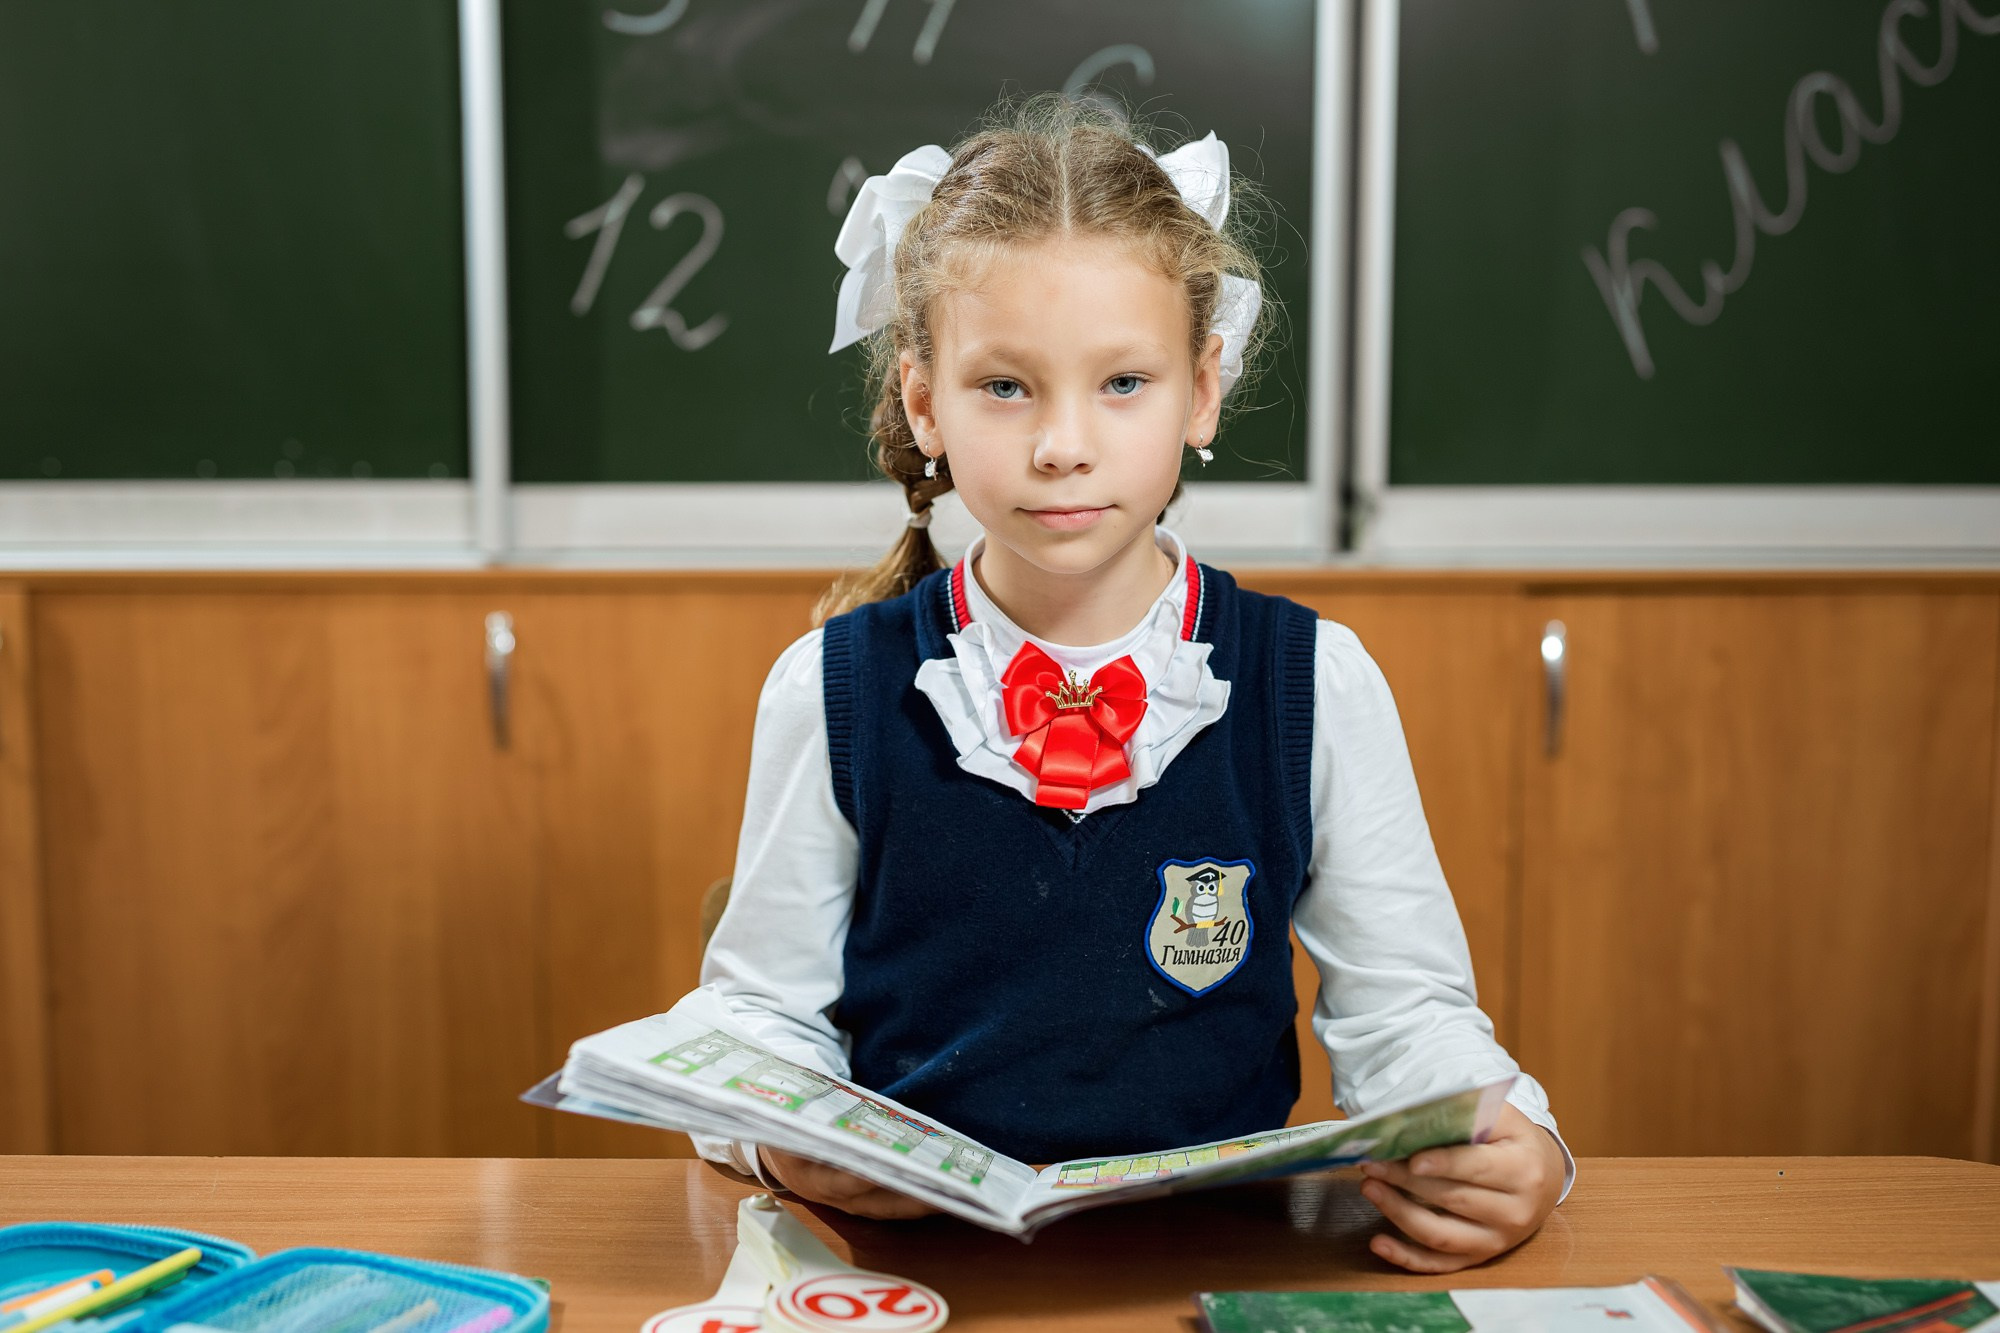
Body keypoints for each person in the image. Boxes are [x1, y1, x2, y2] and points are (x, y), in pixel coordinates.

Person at [690, 97, 1571, 1274]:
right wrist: (780, 1141)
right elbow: (751, 1025)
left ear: (1201, 390)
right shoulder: (832, 688)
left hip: (1212, 1274)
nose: (1063, 444)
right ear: (922, 403)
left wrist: (1515, 1147)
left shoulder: (1313, 683)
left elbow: (1405, 1016)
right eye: (1005, 387)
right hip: (916, 1282)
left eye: (1121, 383)